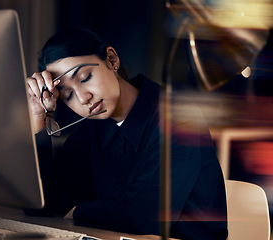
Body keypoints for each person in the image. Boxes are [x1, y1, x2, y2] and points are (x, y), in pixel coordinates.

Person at [25, 28, 228, 240]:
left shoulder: (180, 119)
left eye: (85, 78)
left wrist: (78, 211)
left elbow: (145, 215)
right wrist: (36, 120)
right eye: (68, 95)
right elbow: (43, 203)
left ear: (112, 60)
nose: (83, 98)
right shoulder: (91, 128)